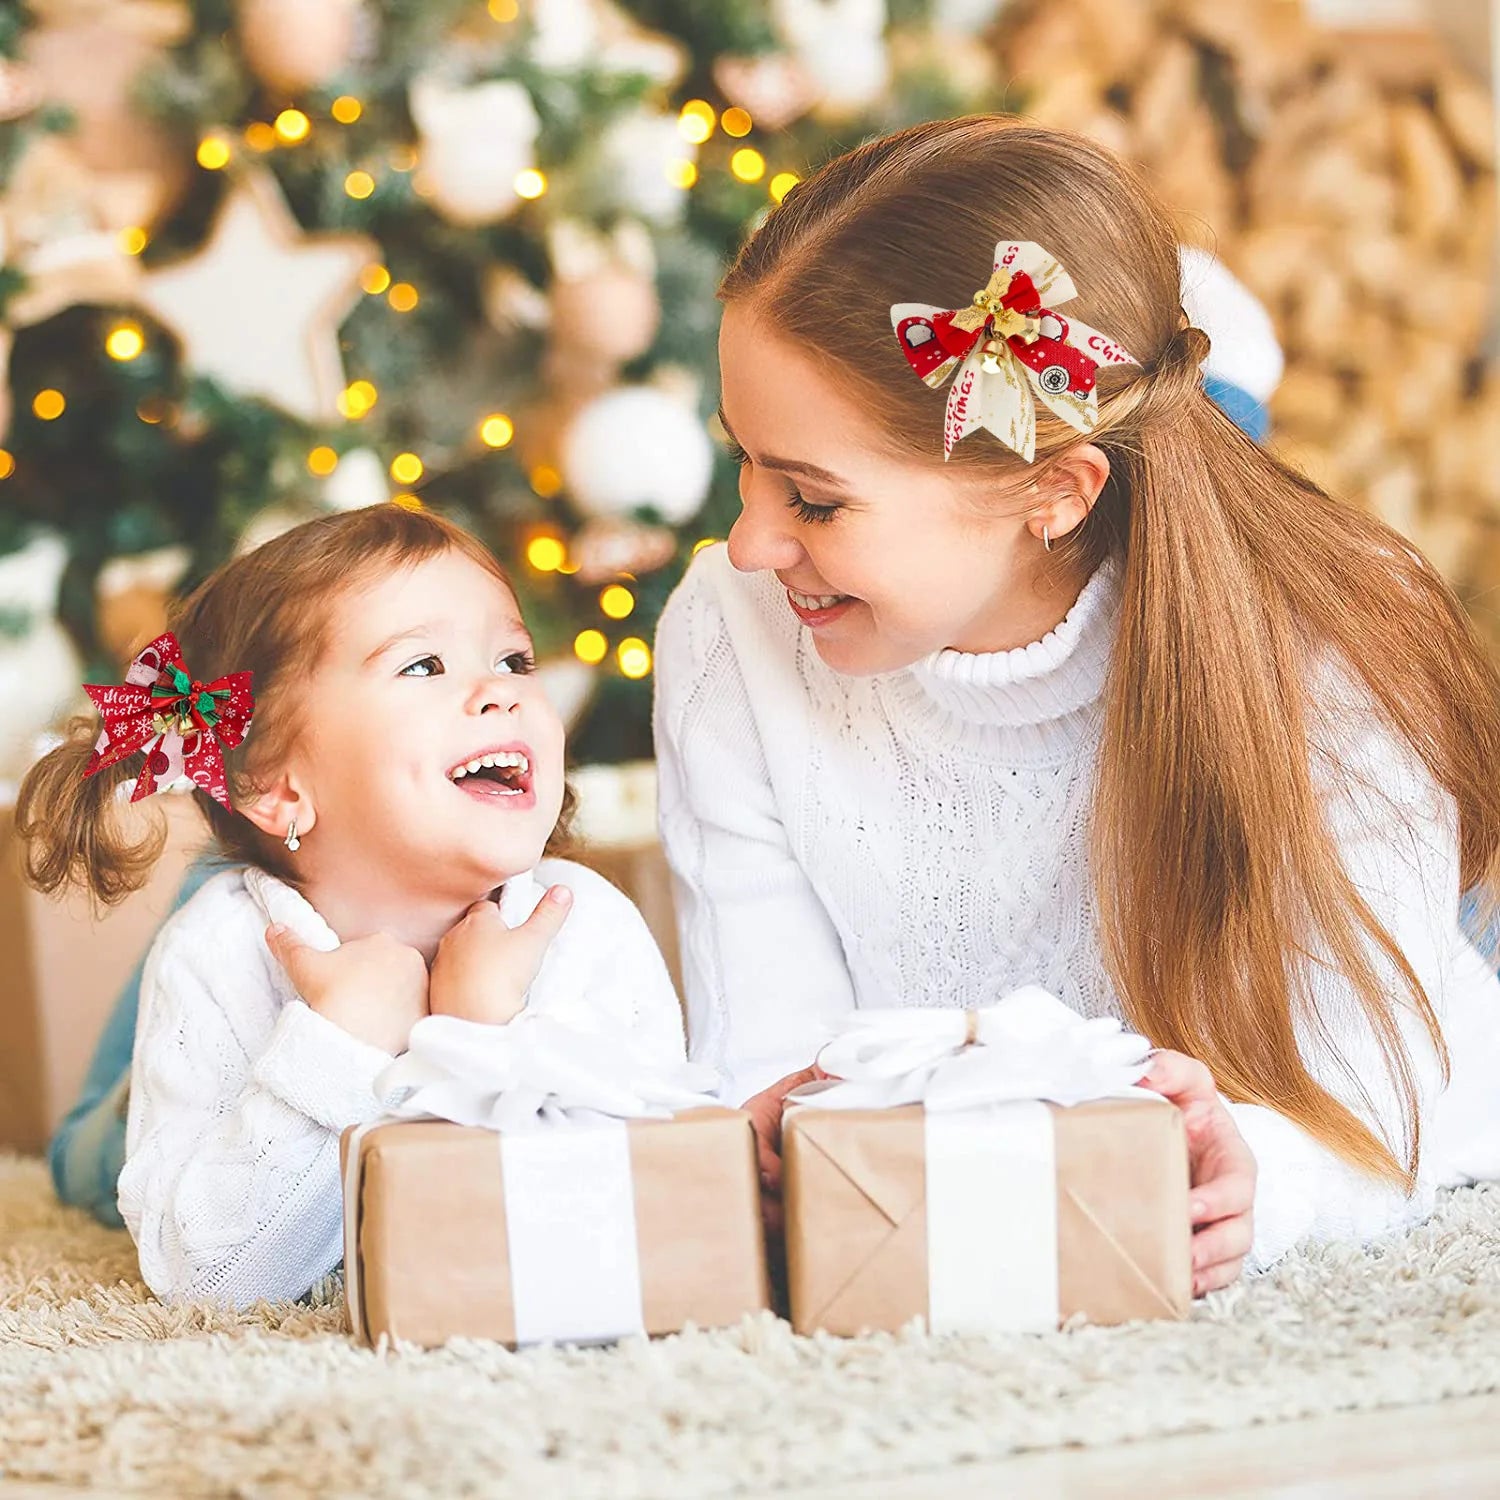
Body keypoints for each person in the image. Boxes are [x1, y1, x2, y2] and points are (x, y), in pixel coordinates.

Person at [652, 117, 1500, 1296]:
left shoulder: (1338, 645)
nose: (748, 543)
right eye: (743, 461)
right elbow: (772, 1068)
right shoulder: (727, 632)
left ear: (1055, 490)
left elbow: (1366, 1101)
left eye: (814, 499)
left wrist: (1253, 1172)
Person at [18, 504, 683, 1307]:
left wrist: (482, 1035)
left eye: (513, 658)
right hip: (199, 1051)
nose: (500, 692)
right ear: (279, 785)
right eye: (422, 666)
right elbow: (208, 1278)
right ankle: (115, 1103)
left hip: (293, 873)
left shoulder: (581, 926)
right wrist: (342, 1045)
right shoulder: (222, 950)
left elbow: (652, 1208)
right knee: (91, 1162)